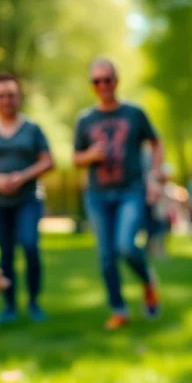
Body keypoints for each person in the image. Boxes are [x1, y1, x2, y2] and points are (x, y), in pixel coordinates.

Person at [73, 57, 163, 330]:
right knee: (106, 256)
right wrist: (89, 155)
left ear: (117, 81)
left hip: (130, 191)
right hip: (97, 195)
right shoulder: (85, 119)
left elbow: (156, 142)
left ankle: (148, 279)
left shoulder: (134, 113)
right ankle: (119, 309)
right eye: (96, 81)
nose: (103, 85)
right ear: (92, 85)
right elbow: (75, 158)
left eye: (107, 80)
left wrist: (155, 178)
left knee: (125, 246)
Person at [0, 72, 54, 324]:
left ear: (19, 97)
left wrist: (22, 176)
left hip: (28, 198)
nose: (6, 100)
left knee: (29, 245)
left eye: (11, 95)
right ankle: (9, 305)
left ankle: (34, 302)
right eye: (1, 95)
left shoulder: (32, 128)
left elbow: (48, 161)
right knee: (5, 253)